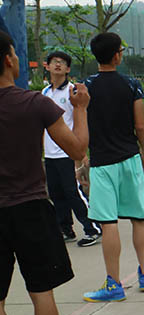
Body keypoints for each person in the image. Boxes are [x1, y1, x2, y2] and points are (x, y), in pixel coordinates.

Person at [0, 29, 87, 315]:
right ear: (9, 59)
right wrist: (81, 108)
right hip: (32, 207)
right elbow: (77, 149)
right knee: (41, 292)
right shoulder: (35, 103)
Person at [82, 32, 144, 302]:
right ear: (117, 56)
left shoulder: (85, 87)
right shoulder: (131, 85)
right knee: (138, 218)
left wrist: (83, 158)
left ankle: (114, 285)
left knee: (108, 223)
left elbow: (82, 125)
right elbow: (140, 126)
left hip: (102, 163)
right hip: (129, 158)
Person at [41, 51, 102, 247]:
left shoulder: (73, 91)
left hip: (67, 152)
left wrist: (81, 155)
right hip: (50, 153)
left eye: (62, 62)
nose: (58, 65)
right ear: (47, 66)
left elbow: (80, 121)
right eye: (54, 62)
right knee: (56, 193)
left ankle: (93, 228)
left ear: (68, 69)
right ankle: (66, 228)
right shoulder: (45, 93)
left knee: (73, 192)